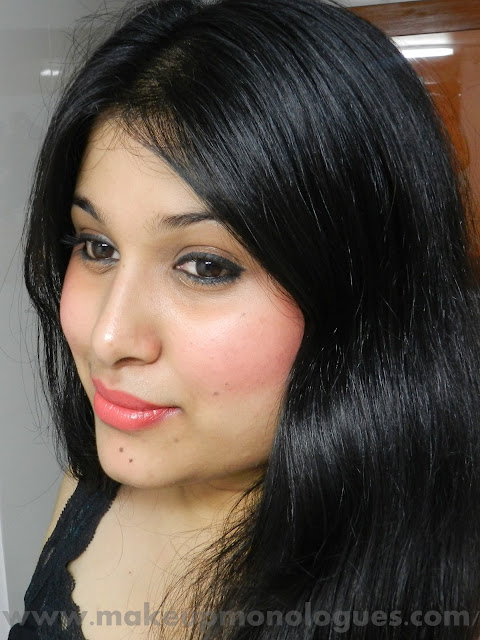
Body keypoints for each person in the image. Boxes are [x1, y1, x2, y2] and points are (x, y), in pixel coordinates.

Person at [8, 0, 480, 638]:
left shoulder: (446, 586)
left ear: (358, 290)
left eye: (204, 266)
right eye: (97, 247)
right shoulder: (92, 481)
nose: (108, 337)